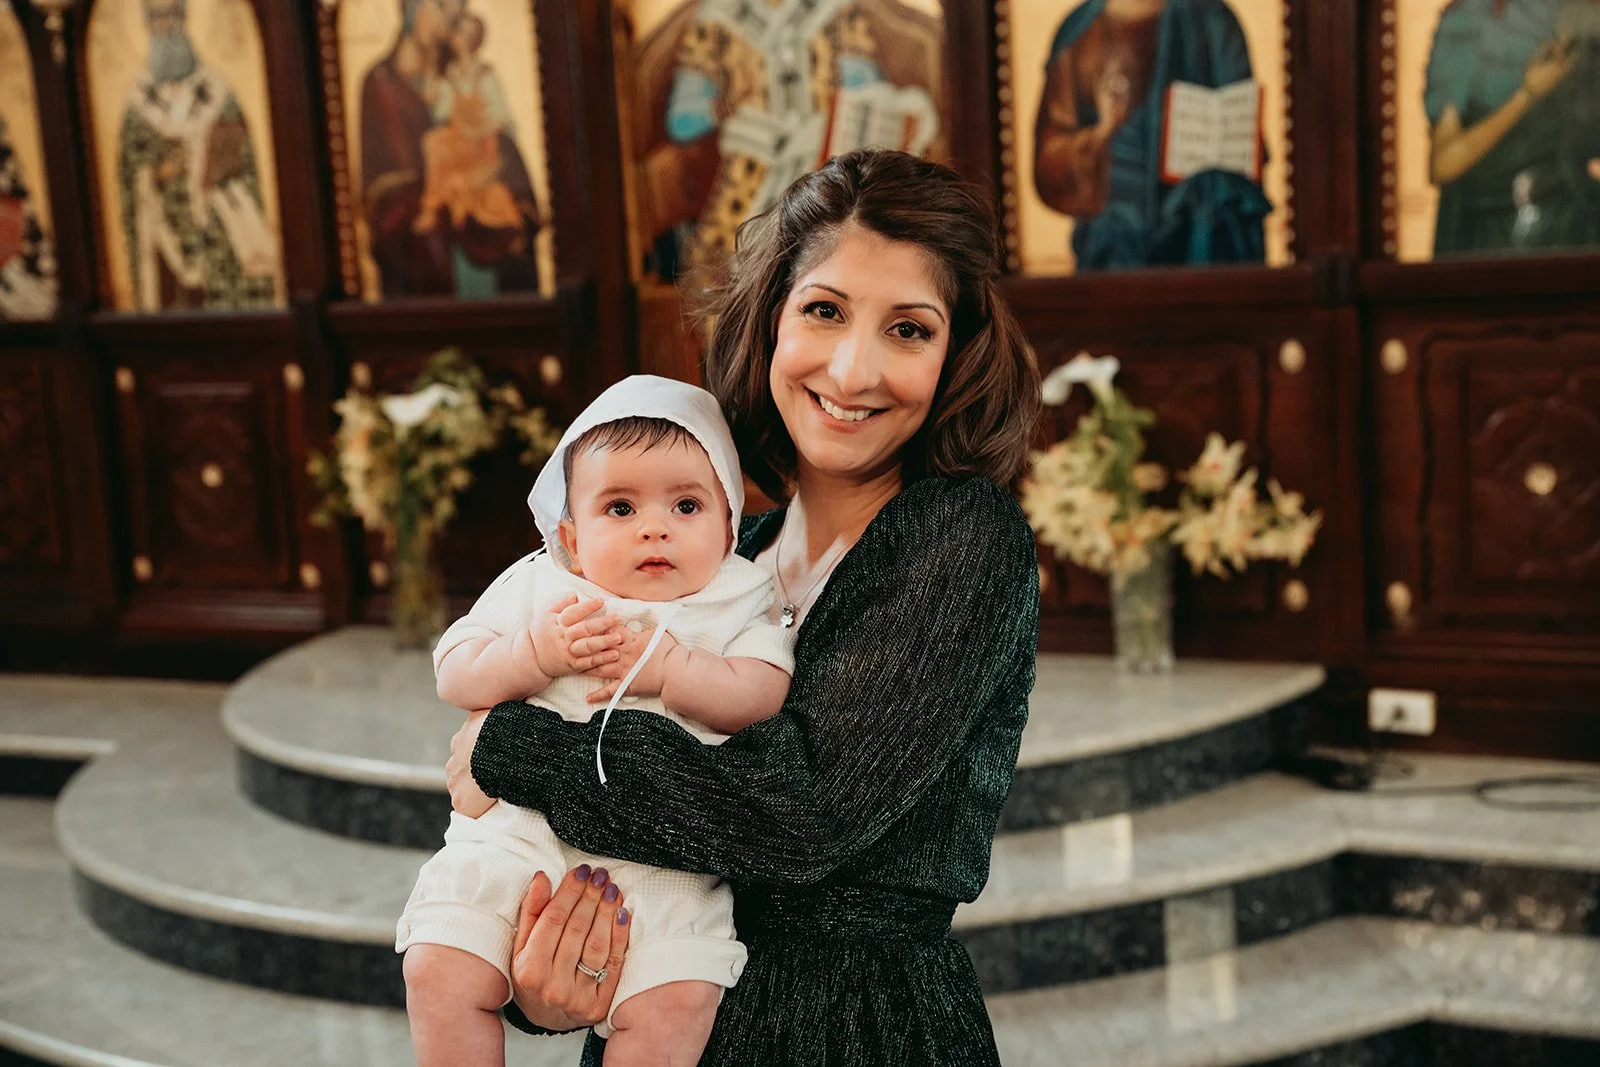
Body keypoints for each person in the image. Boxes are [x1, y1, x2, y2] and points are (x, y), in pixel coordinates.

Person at [445, 148, 1043, 1065]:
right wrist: (545, 979)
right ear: (768, 321)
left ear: (956, 353)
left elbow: (797, 813)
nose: (852, 370)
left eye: (908, 329)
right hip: (665, 1006)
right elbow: (602, 827)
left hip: (856, 1031)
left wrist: (515, 748)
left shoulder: (961, 538)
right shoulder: (727, 558)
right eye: (825, 311)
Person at [401, 376, 796, 1067]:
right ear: (571, 537)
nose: (655, 526)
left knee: (676, 1004)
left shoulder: (740, 596)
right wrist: (532, 654)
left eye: (686, 504)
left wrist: (675, 671)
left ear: (730, 528)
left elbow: (763, 692)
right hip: (518, 836)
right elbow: (454, 670)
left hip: (665, 860)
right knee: (439, 965)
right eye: (620, 505)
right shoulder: (541, 582)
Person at [1033, 0, 1271, 269]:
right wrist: (1103, 134)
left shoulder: (1214, 22)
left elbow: (1243, 145)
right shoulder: (1079, 34)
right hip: (1113, 254)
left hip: (1201, 246)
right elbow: (1049, 164)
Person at [116, 0, 278, 310]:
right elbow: (129, 178)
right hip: (166, 242)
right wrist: (155, 176)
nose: (167, 28)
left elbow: (244, 166)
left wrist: (213, 169)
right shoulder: (137, 109)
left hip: (221, 237)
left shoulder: (219, 94)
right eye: (158, 20)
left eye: (172, 18)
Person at [1424, 0, 1600, 255]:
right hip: (1493, 238)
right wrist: (1526, 95)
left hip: (1573, 232)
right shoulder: (1468, 25)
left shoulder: (1583, 22)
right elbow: (1444, 164)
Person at [415, 14, 524, 239]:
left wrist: (480, 127)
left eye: (463, 34)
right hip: (458, 137)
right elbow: (439, 110)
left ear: (473, 40)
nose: (457, 38)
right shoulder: (452, 75)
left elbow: (502, 116)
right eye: (456, 32)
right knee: (433, 141)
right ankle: (431, 207)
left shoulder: (485, 75)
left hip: (482, 139)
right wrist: (433, 70)